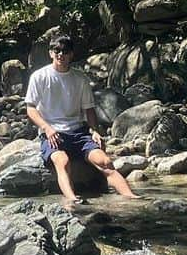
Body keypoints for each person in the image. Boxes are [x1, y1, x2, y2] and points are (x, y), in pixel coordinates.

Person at [24, 32, 138, 206]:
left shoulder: (80, 79)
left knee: (105, 161)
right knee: (62, 161)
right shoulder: (39, 77)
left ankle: (132, 197)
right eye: (56, 50)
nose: (60, 54)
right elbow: (31, 108)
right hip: (53, 132)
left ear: (71, 54)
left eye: (64, 51)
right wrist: (47, 128)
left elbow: (89, 109)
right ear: (50, 53)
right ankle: (72, 200)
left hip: (78, 132)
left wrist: (94, 131)